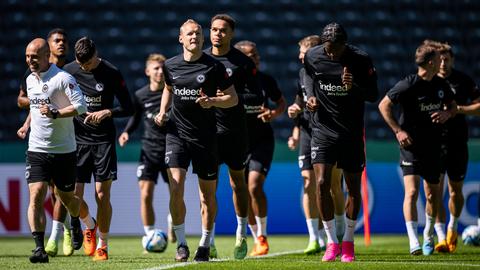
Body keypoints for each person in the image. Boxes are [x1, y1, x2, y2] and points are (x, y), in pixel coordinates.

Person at [154, 19, 238, 262]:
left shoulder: (213, 67)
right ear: (181, 38)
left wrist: (212, 101)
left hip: (206, 138)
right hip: (176, 134)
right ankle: (181, 244)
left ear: (202, 39)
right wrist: (162, 111)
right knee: (176, 187)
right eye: (190, 34)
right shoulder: (170, 65)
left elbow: (232, 99)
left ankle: (204, 243)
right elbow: (169, 87)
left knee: (206, 196)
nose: (194, 37)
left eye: (198, 34)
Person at [304, 23, 378, 262]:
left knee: (353, 188)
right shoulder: (313, 55)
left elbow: (373, 94)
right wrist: (310, 96)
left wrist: (352, 86)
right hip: (323, 129)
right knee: (322, 182)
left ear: (345, 44)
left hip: (351, 133)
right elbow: (306, 73)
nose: (332, 52)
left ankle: (348, 241)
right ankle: (331, 242)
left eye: (337, 48)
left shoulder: (361, 59)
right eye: (328, 48)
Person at [378, 41, 456, 256]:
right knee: (411, 192)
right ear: (431, 63)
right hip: (410, 146)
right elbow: (383, 105)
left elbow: (453, 106)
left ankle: (429, 234)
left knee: (433, 196)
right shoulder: (408, 84)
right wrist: (398, 131)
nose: (442, 62)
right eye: (439, 60)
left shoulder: (441, 85)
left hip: (433, 146)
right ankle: (413, 240)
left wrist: (447, 114)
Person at [63, 37, 134, 261]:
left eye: (89, 63)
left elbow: (128, 107)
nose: (85, 68)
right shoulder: (67, 71)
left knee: (102, 195)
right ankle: (88, 225)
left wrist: (108, 112)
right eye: (81, 64)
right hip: (76, 140)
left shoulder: (112, 72)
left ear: (96, 54)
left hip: (103, 141)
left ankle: (103, 244)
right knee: (73, 195)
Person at [17, 38, 86, 263]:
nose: (30, 61)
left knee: (66, 198)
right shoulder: (29, 79)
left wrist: (56, 112)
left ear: (47, 55)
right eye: (27, 57)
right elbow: (36, 108)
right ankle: (39, 248)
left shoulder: (64, 78)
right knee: (36, 195)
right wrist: (27, 125)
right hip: (37, 149)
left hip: (64, 150)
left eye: (34, 57)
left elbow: (81, 106)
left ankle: (75, 220)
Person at [204, 14, 263, 260]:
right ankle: (209, 240)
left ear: (231, 34)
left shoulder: (242, 62)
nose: (218, 34)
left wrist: (230, 94)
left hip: (236, 131)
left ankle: (241, 233)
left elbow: (255, 94)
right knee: (208, 189)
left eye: (223, 30)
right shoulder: (201, 58)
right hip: (207, 131)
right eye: (214, 29)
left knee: (237, 183)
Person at [287, 34, 347, 254]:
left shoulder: (331, 72)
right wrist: (294, 117)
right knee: (308, 182)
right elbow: (299, 101)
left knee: (332, 185)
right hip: (306, 134)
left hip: (330, 133)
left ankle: (339, 231)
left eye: (302, 52)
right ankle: (315, 237)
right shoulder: (302, 74)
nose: (299, 56)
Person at [235, 40, 286, 256]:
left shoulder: (266, 80)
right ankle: (255, 237)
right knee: (242, 191)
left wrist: (273, 114)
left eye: (255, 54)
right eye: (248, 55)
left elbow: (281, 103)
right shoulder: (231, 82)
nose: (254, 58)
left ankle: (263, 236)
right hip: (237, 142)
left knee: (254, 186)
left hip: (262, 140)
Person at [117, 53, 175, 245]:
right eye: (156, 68)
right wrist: (126, 132)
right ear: (147, 71)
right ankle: (150, 234)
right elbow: (135, 117)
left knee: (176, 193)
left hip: (171, 149)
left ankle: (172, 220)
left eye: (162, 68)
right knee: (145, 193)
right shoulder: (140, 95)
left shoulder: (172, 93)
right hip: (149, 150)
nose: (159, 72)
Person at [431, 42, 480, 253]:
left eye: (446, 59)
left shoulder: (463, 80)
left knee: (455, 191)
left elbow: (479, 106)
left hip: (458, 142)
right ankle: (441, 236)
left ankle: (452, 226)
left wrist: (458, 110)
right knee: (435, 191)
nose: (443, 62)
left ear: (452, 60)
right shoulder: (428, 81)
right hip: (433, 143)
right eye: (439, 59)